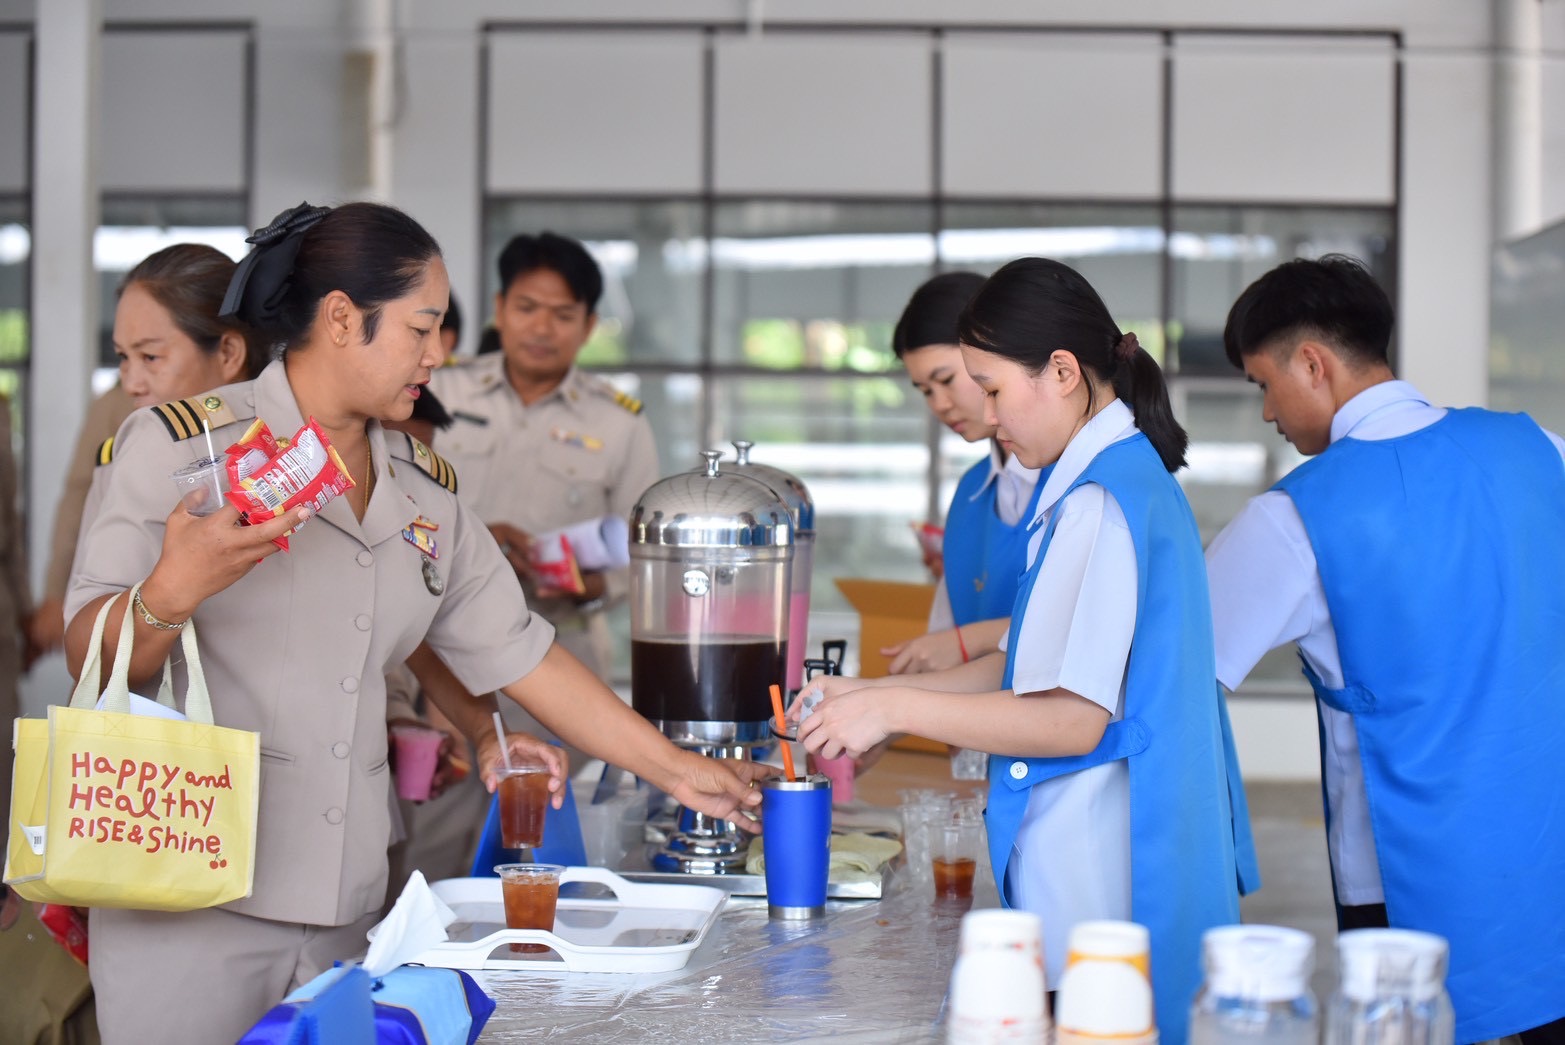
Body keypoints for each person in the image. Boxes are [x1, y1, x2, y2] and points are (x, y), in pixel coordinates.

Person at [64, 202, 764, 1045]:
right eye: (420, 327)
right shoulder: (184, 451)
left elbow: (522, 652)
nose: (438, 354)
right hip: (190, 891)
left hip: (348, 899)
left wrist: (678, 769)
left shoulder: (421, 485)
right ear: (339, 319)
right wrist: (173, 588)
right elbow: (86, 652)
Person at [795, 258, 1256, 1045]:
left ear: (1064, 372)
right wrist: (869, 697)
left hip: (1102, 858)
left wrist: (893, 705)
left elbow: (1070, 718)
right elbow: (1027, 666)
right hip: (1088, 852)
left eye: (991, 387)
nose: (981, 411)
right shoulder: (1103, 480)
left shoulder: (1099, 501)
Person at [1205, 255, 1565, 1043]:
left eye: (1263, 383)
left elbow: (1175, 664)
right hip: (1548, 836)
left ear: (1312, 362)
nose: (1267, 411)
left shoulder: (1294, 515)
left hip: (1409, 864)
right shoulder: (1538, 447)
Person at [430, 231, 659, 763]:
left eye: (561, 314)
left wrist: (592, 586)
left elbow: (643, 554)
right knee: (437, 830)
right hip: (441, 654)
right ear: (499, 309)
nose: (541, 327)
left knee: (547, 827)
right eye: (527, 307)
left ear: (588, 326)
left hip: (559, 658)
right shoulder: (440, 390)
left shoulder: (618, 422)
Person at [32, 244, 271, 655]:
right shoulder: (121, 413)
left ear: (229, 353)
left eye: (150, 356)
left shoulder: (297, 447)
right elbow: (80, 504)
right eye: (124, 357)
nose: (132, 382)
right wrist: (56, 593)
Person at [881, 271, 1042, 677]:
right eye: (925, 391)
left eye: (946, 380)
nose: (939, 404)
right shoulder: (971, 492)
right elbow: (940, 650)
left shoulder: (1083, 479)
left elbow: (1086, 634)